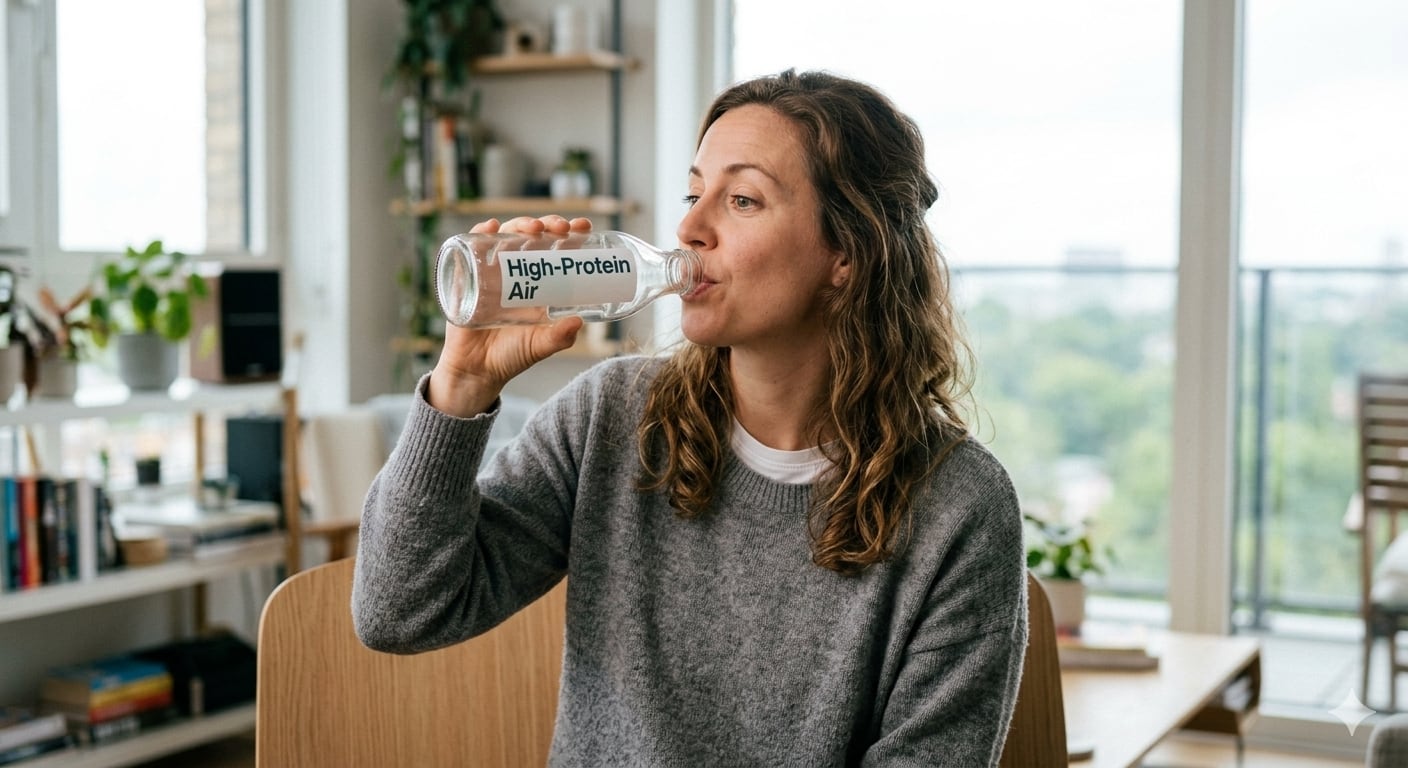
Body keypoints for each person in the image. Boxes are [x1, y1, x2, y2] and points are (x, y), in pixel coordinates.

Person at [353, 69, 1027, 766]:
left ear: (847, 254)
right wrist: (460, 386)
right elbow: (398, 613)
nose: (689, 227)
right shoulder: (611, 418)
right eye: (692, 191)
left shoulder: (960, 506)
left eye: (741, 199)